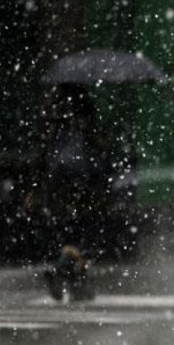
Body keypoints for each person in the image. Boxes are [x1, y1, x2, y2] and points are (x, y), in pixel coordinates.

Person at [36, 83, 109, 302]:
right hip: (85, 187)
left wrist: (36, 187)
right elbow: (101, 148)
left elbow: (43, 157)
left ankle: (71, 278)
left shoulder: (55, 121)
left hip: (59, 187)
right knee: (83, 236)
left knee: (68, 235)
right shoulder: (87, 120)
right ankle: (71, 278)